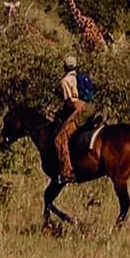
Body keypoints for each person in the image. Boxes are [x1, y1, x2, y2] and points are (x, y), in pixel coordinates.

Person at [55, 55, 94, 184]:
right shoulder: (79, 77)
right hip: (89, 105)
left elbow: (69, 101)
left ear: (64, 67)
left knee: (60, 138)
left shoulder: (65, 80)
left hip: (78, 107)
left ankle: (67, 172)